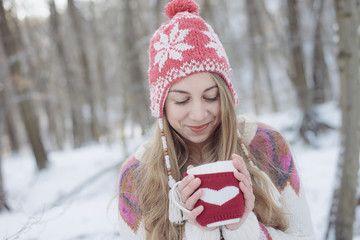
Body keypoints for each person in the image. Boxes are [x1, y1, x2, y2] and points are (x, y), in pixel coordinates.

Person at [118, 0, 315, 239]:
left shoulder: (268, 146)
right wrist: (196, 230)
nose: (199, 114)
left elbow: (305, 235)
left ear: (226, 94)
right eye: (181, 101)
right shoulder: (136, 176)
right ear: (162, 106)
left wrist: (244, 227)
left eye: (211, 97)